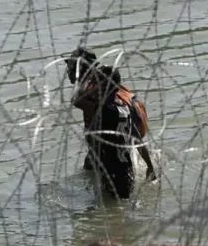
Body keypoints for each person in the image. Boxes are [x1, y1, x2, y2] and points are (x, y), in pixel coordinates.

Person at [66, 47, 156, 181]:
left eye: (71, 68)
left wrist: (150, 166)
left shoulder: (96, 94)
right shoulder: (96, 88)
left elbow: (76, 100)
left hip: (109, 154)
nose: (68, 72)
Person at [71, 64, 140, 200]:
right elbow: (138, 139)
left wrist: (87, 79)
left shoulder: (102, 111)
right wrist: (150, 167)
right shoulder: (125, 108)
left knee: (110, 213)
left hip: (112, 175)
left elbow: (76, 100)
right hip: (127, 173)